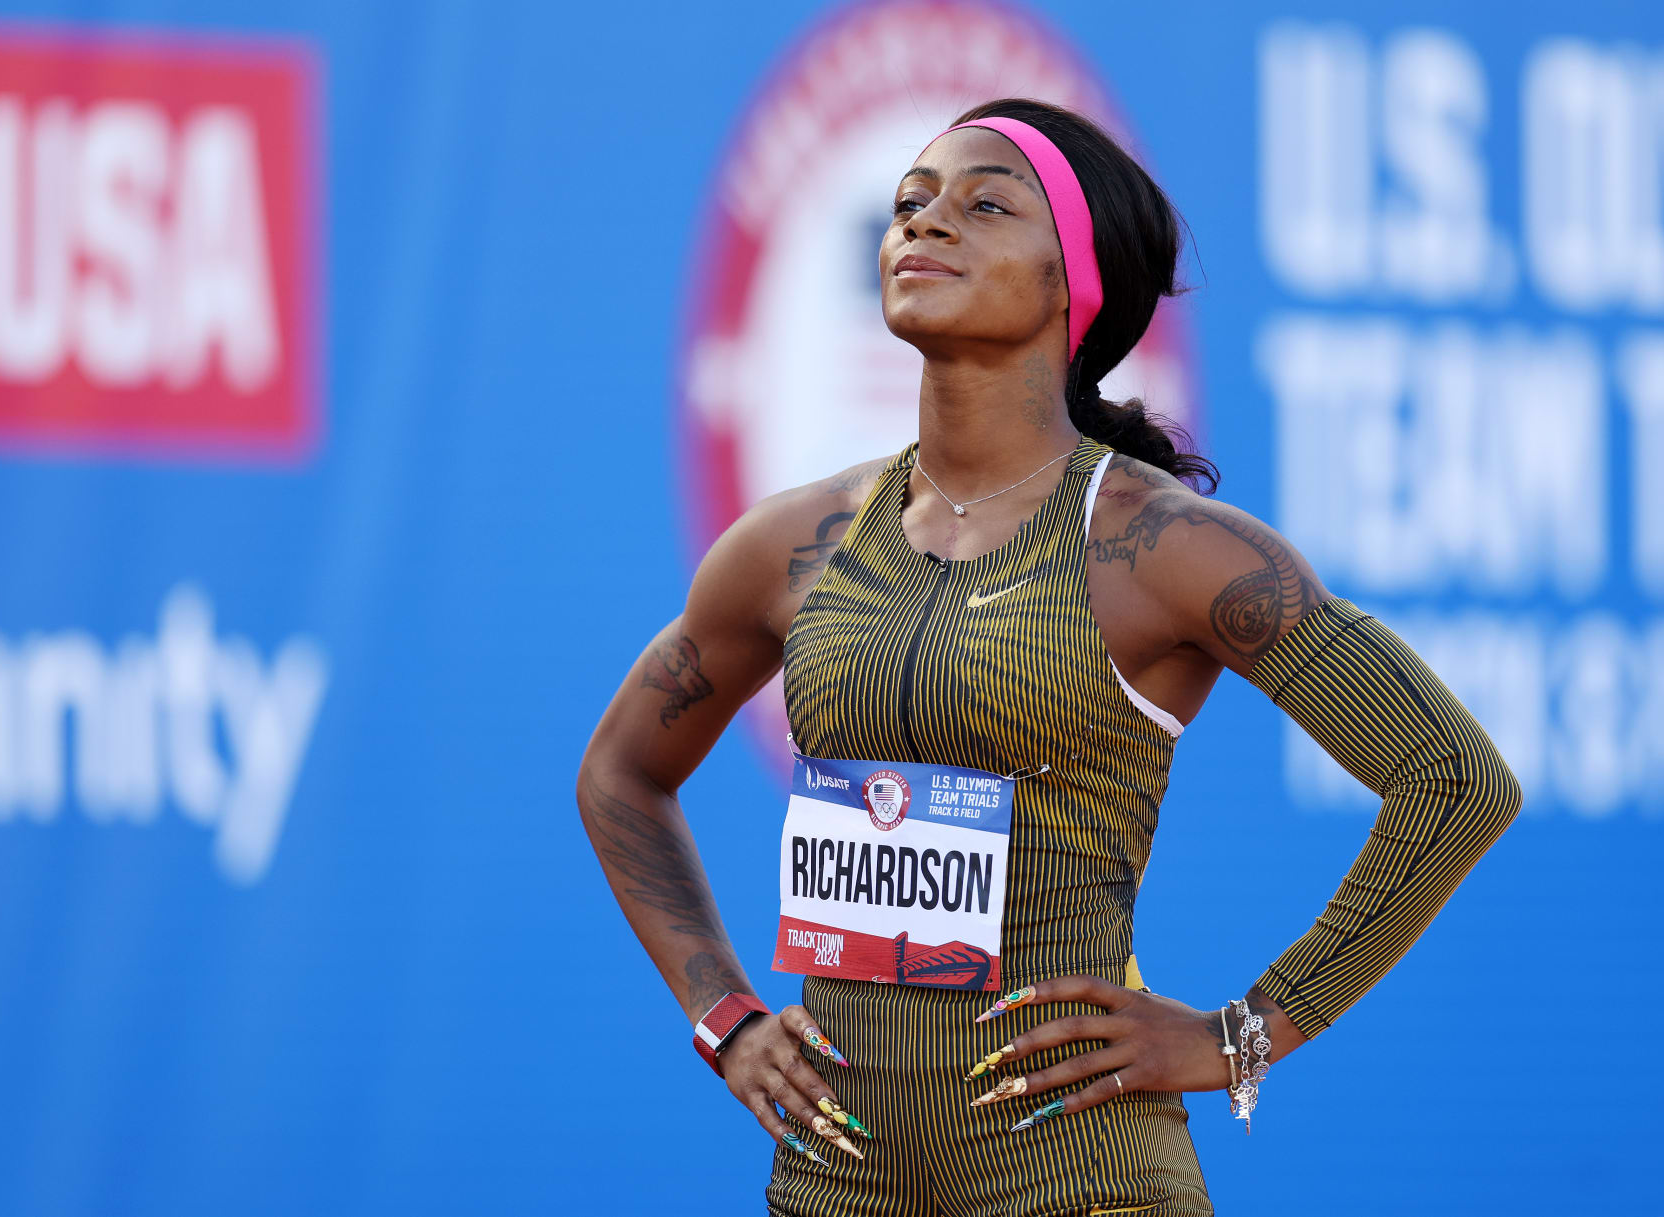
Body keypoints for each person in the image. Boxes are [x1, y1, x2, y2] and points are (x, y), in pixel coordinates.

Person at [577, 97, 1522, 1217]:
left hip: (1074, 1176)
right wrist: (724, 1014)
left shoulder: (1166, 546)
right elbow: (622, 774)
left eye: (984, 205)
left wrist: (1245, 1033)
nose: (925, 225)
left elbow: (1457, 779)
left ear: (1076, 278)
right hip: (835, 1179)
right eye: (908, 205)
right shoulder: (791, 545)